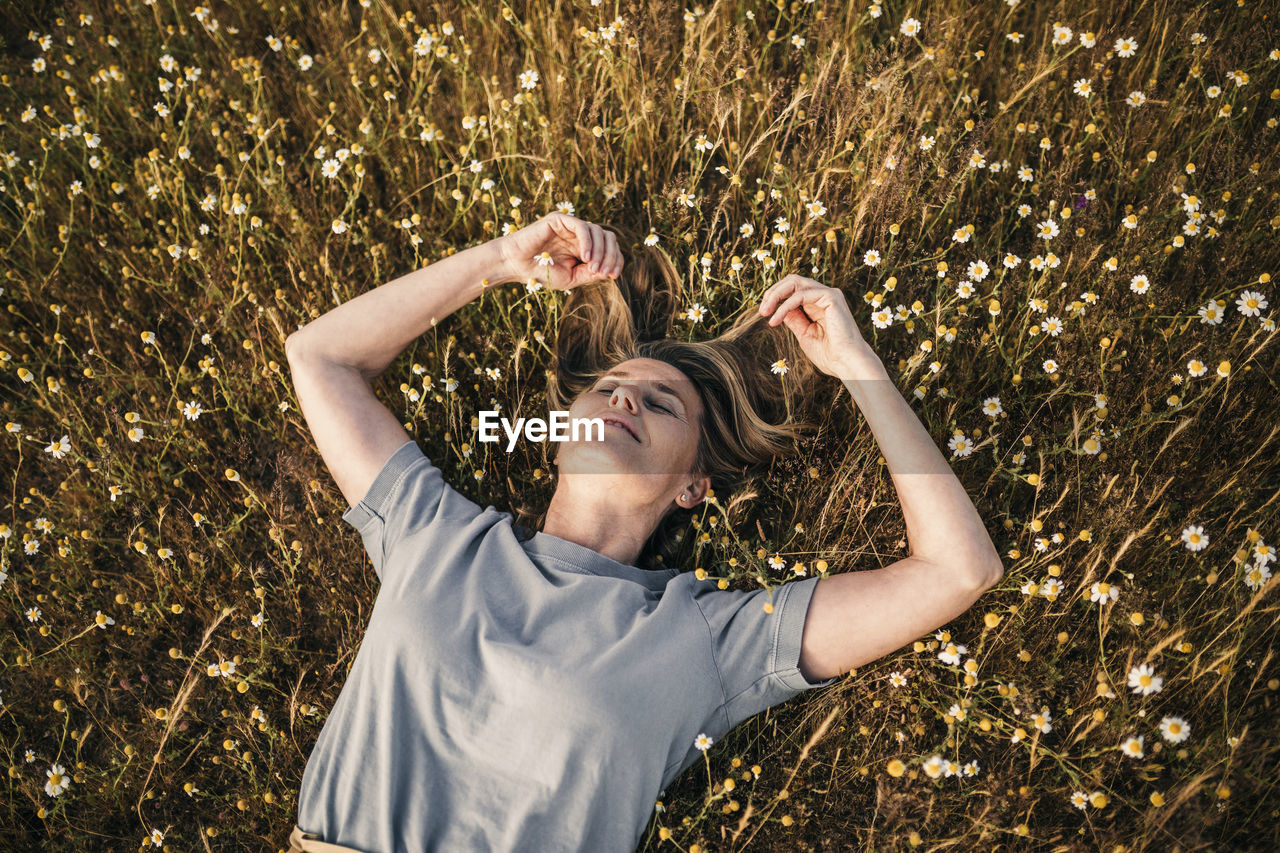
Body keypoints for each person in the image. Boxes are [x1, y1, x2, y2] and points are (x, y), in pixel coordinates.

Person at [283, 213, 1003, 853]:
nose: (625, 395)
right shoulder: (434, 533)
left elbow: (957, 569)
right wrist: (502, 261)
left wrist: (857, 367)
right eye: (608, 389)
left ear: (693, 485)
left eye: (661, 404)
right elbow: (319, 357)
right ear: (558, 432)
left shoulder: (703, 637)